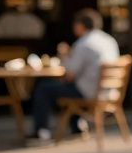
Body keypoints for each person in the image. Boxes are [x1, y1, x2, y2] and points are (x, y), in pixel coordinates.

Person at [28, 8, 119, 143]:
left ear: (80, 25)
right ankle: (76, 126)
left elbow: (70, 74)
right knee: (67, 86)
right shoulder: (109, 40)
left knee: (44, 88)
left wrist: (64, 55)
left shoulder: (84, 43)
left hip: (90, 92)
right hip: (110, 92)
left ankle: (42, 131)